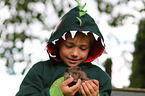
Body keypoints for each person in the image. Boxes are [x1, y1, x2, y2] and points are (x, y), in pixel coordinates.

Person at [16, 0, 112, 96]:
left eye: (83, 48)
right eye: (69, 46)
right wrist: (55, 93)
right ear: (58, 43)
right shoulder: (41, 71)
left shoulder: (101, 78)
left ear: (91, 49)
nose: (75, 53)